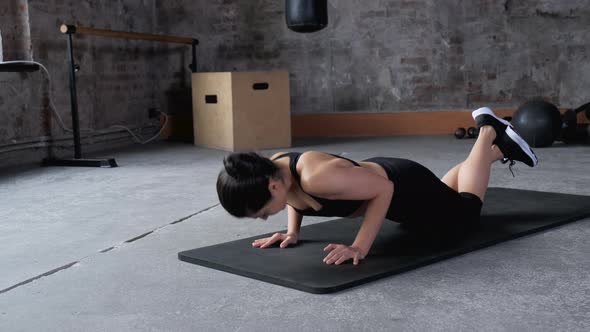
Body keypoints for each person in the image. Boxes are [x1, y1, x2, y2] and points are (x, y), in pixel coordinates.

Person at [216, 107, 538, 266]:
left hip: (402, 185)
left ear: (271, 188)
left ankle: (488, 132)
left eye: (258, 213)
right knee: (444, 200)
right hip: (394, 183)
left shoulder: (317, 178)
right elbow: (294, 197)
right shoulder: (277, 169)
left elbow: (384, 190)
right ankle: (497, 152)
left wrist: (359, 247)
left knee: (466, 212)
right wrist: (292, 233)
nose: (260, 219)